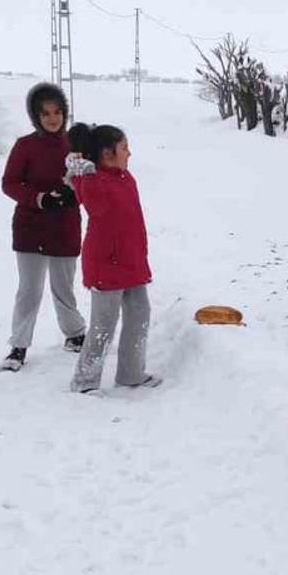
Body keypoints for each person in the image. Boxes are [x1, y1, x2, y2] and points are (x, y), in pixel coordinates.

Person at [66, 122, 160, 393]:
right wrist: (84, 171)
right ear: (107, 153)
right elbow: (94, 205)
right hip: (106, 265)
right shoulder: (94, 182)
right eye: (124, 148)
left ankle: (131, 374)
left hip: (131, 262)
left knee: (139, 314)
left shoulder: (125, 178)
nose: (129, 153)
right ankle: (85, 381)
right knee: (102, 326)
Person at [0, 82, 86, 372]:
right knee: (29, 290)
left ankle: (74, 335)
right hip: (31, 227)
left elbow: (90, 177)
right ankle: (18, 346)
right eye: (45, 113)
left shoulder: (75, 144)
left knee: (64, 288)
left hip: (65, 226)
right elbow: (9, 183)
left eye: (58, 112)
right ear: (35, 116)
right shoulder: (25, 146)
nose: (52, 118)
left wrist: (77, 191)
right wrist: (40, 199)